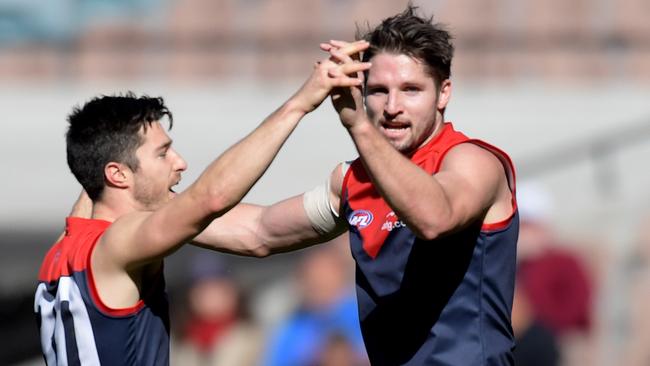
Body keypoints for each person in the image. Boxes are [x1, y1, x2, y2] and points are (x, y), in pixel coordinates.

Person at [198, 5, 519, 365]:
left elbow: (434, 218)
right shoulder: (353, 181)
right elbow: (257, 231)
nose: (392, 106)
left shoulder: (473, 162)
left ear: (443, 93)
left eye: (411, 89)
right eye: (379, 90)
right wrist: (148, 213)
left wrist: (359, 127)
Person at [34, 41, 371, 366]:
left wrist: (343, 196)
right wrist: (299, 104)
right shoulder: (118, 243)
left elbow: (257, 233)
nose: (180, 163)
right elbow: (211, 198)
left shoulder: (62, 250)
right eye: (163, 152)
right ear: (118, 174)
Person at [171, 255, 262, 366]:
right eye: (204, 290)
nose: (212, 296)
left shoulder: (253, 336)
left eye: (219, 288)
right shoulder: (180, 342)